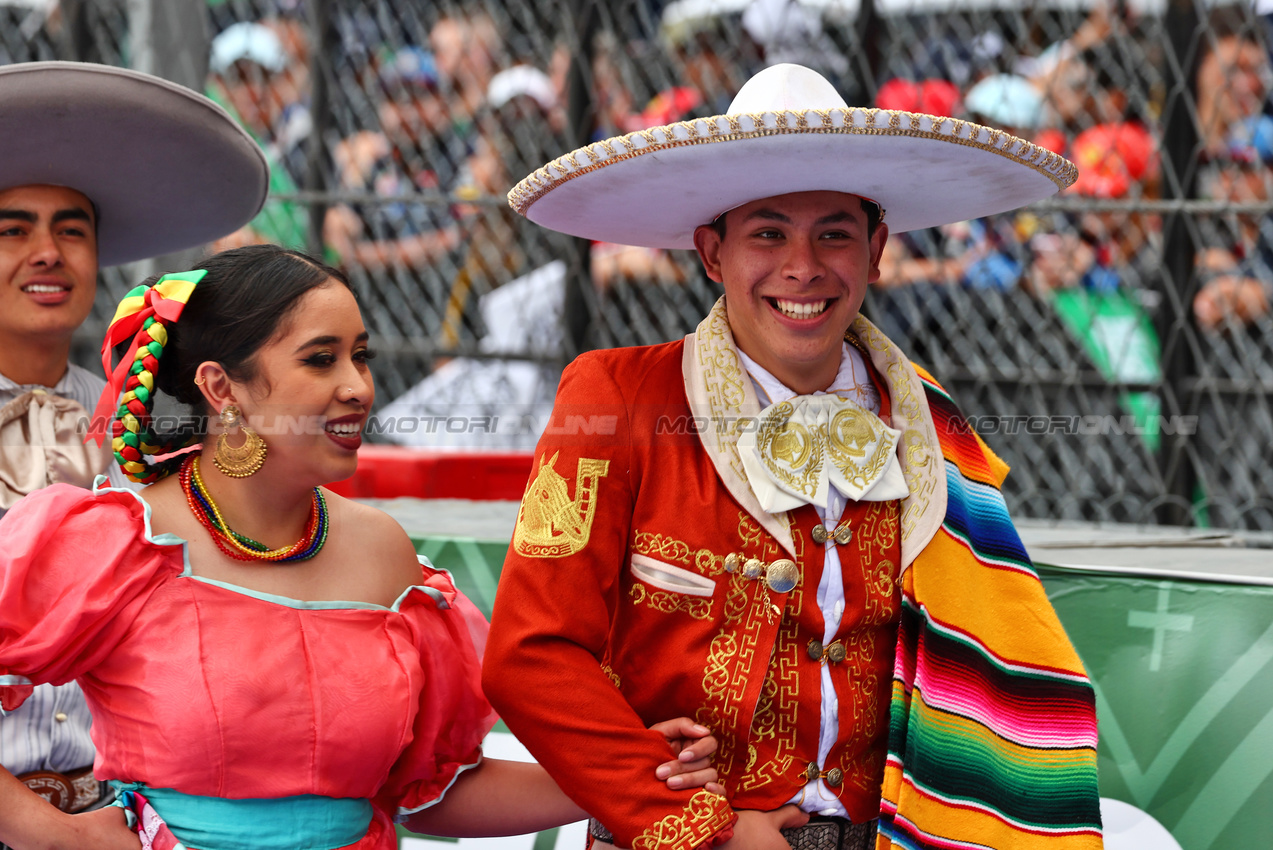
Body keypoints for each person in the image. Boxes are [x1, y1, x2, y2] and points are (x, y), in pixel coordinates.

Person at [483, 63, 1104, 850]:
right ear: (712, 252)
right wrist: (700, 824)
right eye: (768, 233)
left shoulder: (929, 425)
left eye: (834, 234)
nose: (802, 267)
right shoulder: (616, 398)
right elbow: (530, 656)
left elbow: (986, 658)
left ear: (876, 250)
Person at [0, 244, 722, 850]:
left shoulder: (385, 555)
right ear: (223, 388)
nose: (358, 387)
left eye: (361, 356)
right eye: (321, 360)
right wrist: (54, 832)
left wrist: (629, 772)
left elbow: (431, 793)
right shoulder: (116, 539)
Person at [0, 59, 269, 842]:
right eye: (12, 230)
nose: (47, 252)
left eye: (71, 230)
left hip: (125, 818)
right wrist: (54, 833)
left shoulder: (162, 429)